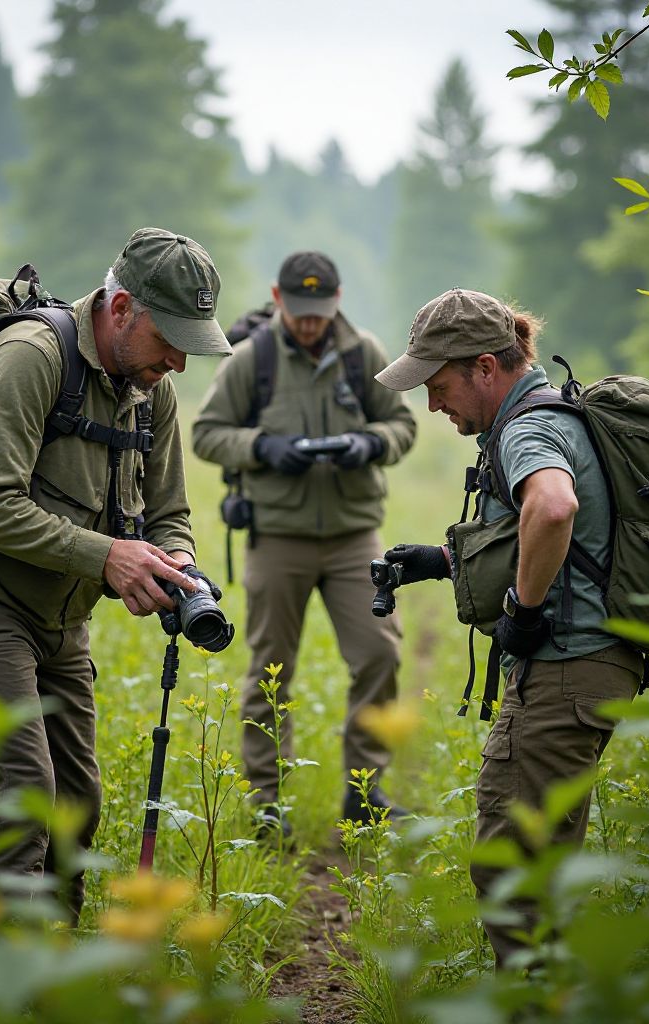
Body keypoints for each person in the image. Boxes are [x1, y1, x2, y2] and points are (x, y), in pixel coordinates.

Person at [0, 228, 232, 924]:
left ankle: (52, 971)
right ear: (120, 311)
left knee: (75, 806)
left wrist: (175, 560)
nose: (178, 361)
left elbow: (170, 509)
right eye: (169, 339)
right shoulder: (32, 359)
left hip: (61, 620)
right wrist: (108, 557)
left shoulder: (153, 391)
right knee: (21, 793)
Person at [374, 288, 642, 968]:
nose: (432, 405)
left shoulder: (527, 429)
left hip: (565, 668)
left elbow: (553, 509)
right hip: (592, 665)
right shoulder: (547, 416)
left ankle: (531, 1005)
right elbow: (560, 534)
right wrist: (440, 562)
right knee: (542, 865)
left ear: (486, 368)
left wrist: (522, 612)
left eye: (438, 387)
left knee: (511, 875)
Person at [191, 251, 417, 835]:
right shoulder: (252, 359)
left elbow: (403, 424)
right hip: (277, 536)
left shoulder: (363, 353)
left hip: (353, 535)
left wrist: (368, 444)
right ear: (278, 297)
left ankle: (364, 795)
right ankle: (270, 804)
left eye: (320, 310)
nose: (310, 322)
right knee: (270, 669)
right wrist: (262, 448)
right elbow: (208, 433)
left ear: (337, 300)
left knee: (379, 655)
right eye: (299, 310)